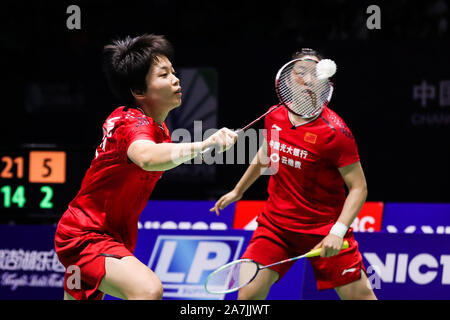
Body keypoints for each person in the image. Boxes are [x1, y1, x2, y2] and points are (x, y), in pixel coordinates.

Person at [54, 34, 237, 300]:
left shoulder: (156, 128)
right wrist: (205, 144)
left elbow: (157, 155)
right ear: (139, 91)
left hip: (110, 236)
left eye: (174, 72)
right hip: (86, 235)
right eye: (164, 75)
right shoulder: (132, 123)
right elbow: (147, 157)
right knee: (148, 290)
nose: (176, 79)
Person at [211, 48, 377, 300]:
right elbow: (267, 154)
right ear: (287, 78)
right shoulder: (274, 115)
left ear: (326, 83)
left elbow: (359, 188)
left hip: (324, 228)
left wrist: (338, 231)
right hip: (276, 226)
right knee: (247, 295)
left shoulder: (336, 133)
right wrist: (238, 190)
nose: (309, 80)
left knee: (360, 297)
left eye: (316, 74)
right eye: (301, 73)